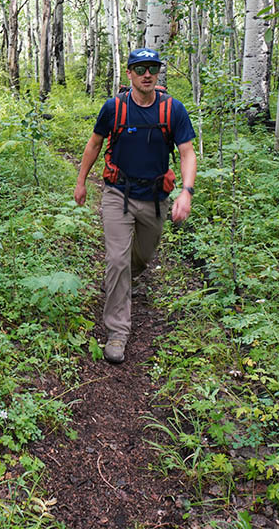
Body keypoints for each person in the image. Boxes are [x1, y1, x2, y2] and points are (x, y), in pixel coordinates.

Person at [73, 48, 197, 364]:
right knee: (117, 259)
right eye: (140, 68)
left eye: (152, 68)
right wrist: (81, 181)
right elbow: (94, 144)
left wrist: (187, 191)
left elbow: (186, 153)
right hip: (118, 194)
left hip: (155, 199)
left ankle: (119, 283)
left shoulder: (173, 110)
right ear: (129, 73)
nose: (147, 74)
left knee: (139, 259)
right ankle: (117, 333)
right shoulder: (114, 108)